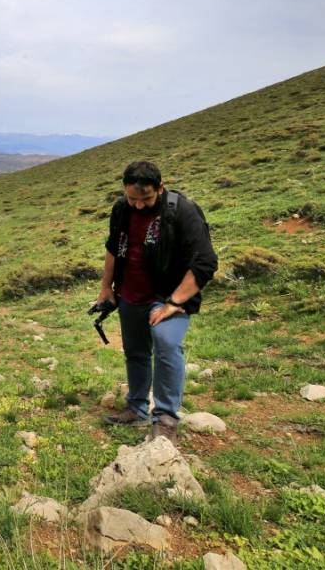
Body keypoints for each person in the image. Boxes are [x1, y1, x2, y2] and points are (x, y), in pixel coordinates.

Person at [95, 161, 217, 443]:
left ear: (160, 188)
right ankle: (136, 407)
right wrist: (106, 287)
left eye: (146, 199)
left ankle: (165, 419)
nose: (138, 206)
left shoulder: (182, 211)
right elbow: (114, 248)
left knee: (166, 343)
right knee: (135, 351)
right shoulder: (121, 209)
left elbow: (205, 261)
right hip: (130, 293)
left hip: (168, 295)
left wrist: (175, 302)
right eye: (132, 198)